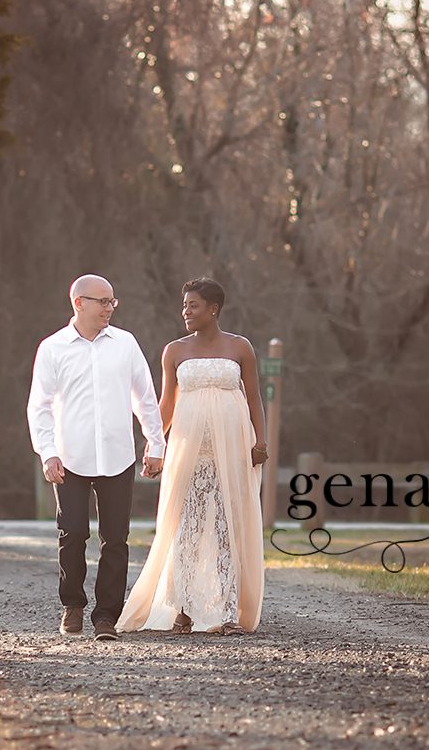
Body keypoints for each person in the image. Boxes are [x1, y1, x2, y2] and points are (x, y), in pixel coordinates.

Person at [118, 277, 266, 635]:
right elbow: (166, 405)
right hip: (189, 450)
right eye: (184, 305)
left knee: (228, 526)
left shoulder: (240, 347)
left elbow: (253, 399)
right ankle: (183, 608)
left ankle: (229, 611)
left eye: (193, 305)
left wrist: (260, 440)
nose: (186, 311)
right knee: (187, 528)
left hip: (231, 448)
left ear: (213, 309)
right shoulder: (174, 351)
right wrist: (155, 446)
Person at [27, 275, 165, 641]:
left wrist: (156, 444)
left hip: (118, 456)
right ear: (78, 303)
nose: (109, 308)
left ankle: (107, 617)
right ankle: (72, 605)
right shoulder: (53, 348)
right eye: (102, 301)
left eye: (112, 302)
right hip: (69, 458)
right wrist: (48, 453)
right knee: (72, 533)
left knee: (116, 539)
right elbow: (39, 407)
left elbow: (145, 399)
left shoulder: (125, 344)